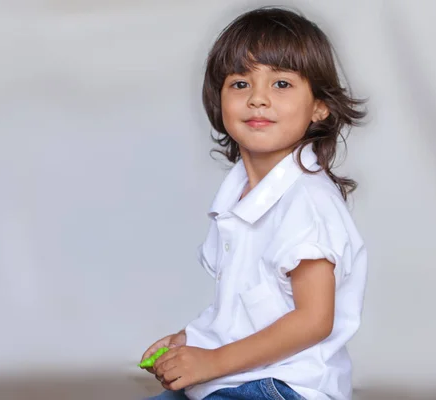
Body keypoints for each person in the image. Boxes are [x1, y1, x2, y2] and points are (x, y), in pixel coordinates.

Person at [141, 6, 367, 400]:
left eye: (281, 84)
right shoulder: (237, 196)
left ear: (319, 106)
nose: (258, 99)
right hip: (235, 377)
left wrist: (211, 362)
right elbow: (242, 305)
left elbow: (314, 320)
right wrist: (191, 341)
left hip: (284, 387)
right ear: (219, 100)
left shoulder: (307, 202)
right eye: (240, 84)